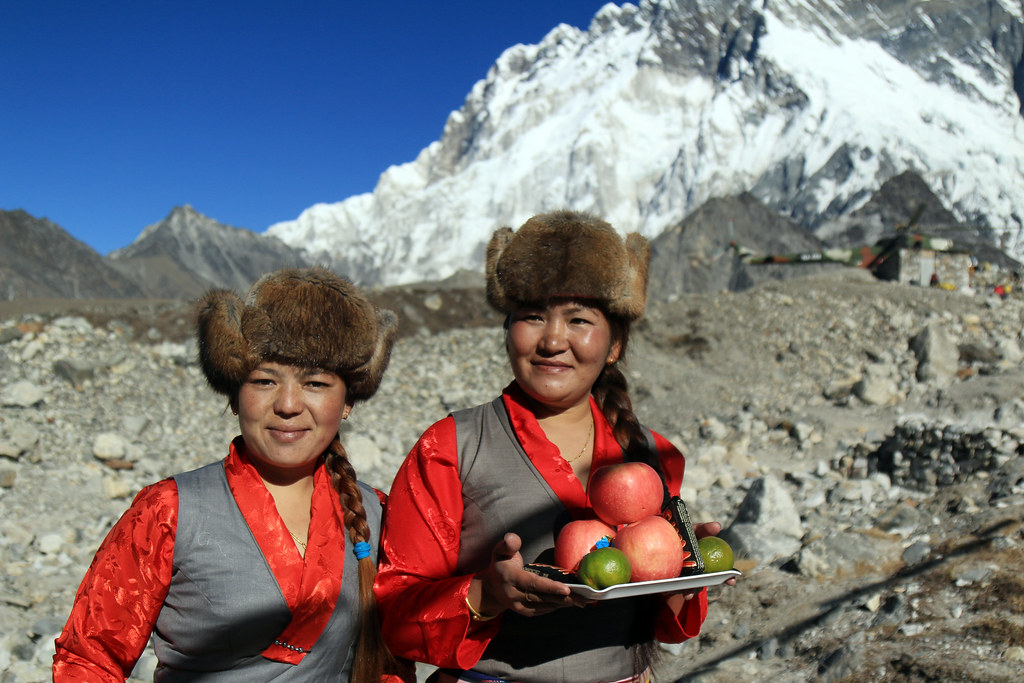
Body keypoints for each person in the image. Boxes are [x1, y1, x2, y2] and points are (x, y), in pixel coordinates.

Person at [374, 211, 729, 683]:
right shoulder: (450, 447)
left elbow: (663, 622)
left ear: (615, 343)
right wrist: (486, 594)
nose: (553, 340)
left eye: (579, 319)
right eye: (533, 316)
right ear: (508, 330)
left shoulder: (651, 453)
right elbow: (392, 611)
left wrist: (686, 569)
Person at [53, 267, 411, 682]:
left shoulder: (376, 514)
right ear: (234, 397)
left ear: (348, 402)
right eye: (264, 380)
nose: (289, 404)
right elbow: (89, 656)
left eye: (315, 383)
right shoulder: (168, 511)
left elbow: (390, 662)